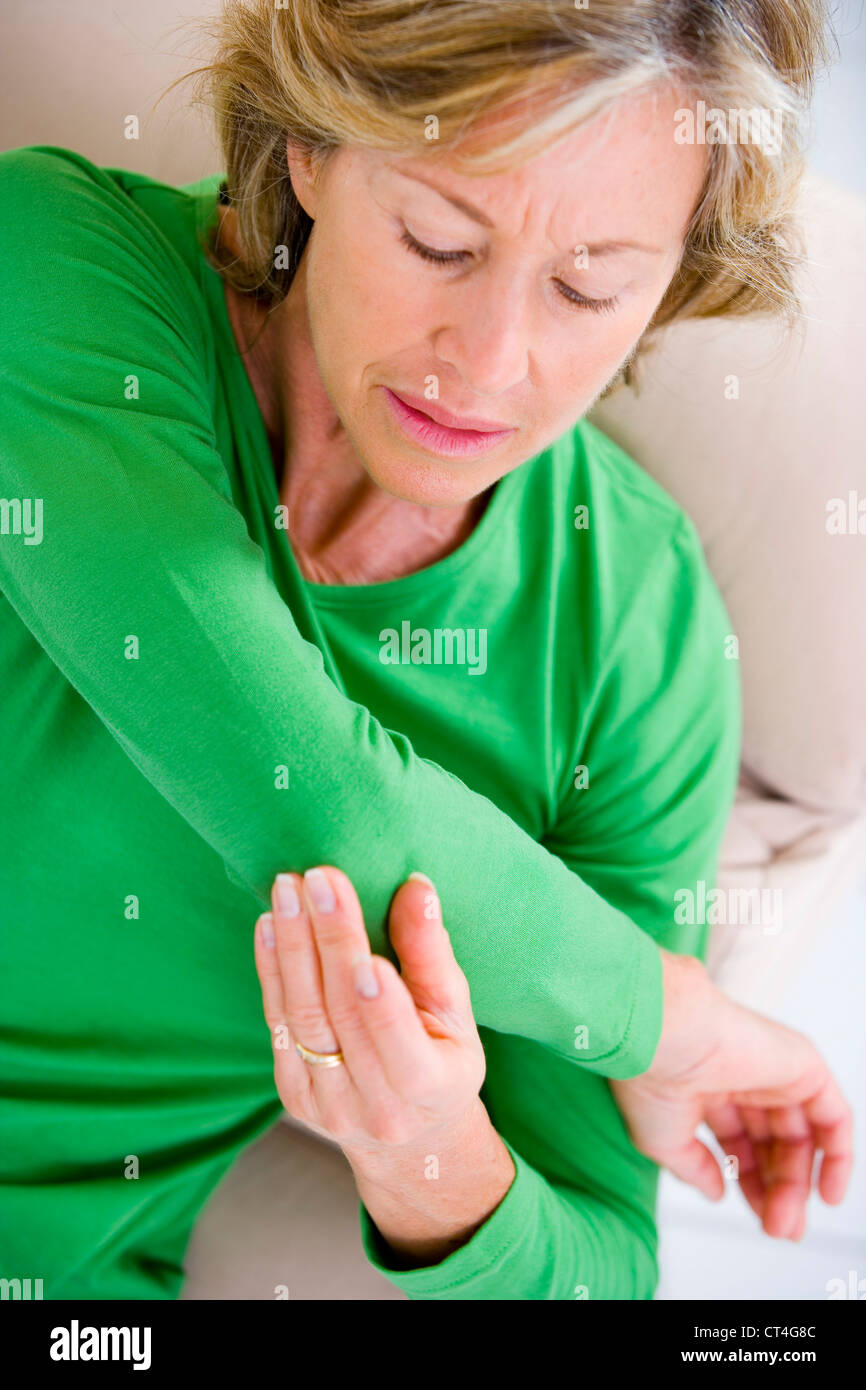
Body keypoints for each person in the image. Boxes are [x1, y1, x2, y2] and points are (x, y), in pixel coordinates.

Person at [0, 0, 851, 1300]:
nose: (488, 362)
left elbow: (604, 1269)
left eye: (588, 285)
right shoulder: (63, 268)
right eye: (438, 238)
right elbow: (307, 788)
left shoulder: (629, 636)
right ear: (310, 150)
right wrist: (674, 1017)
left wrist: (429, 1159)